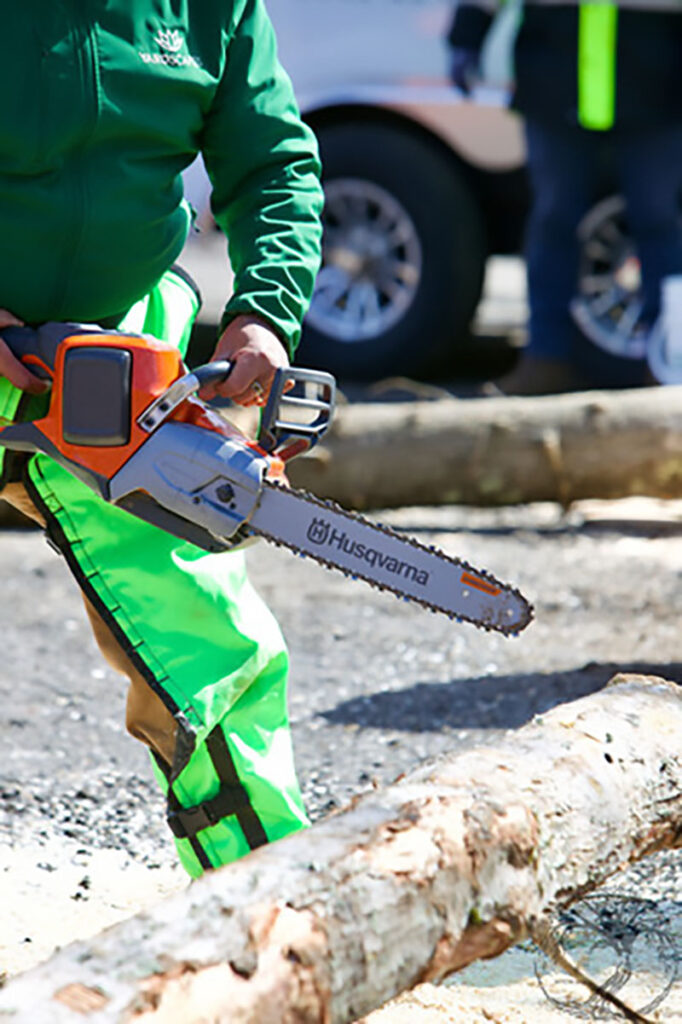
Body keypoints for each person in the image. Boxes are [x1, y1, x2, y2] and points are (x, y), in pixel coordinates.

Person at [0, 2, 324, 878]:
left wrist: (265, 314)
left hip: (114, 356)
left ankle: (265, 911)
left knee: (208, 643)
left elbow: (274, 162)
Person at [448, 0, 682, 394]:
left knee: (659, 222)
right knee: (553, 220)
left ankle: (670, 361)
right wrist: (468, 33)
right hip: (555, 70)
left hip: (656, 73)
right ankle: (545, 360)